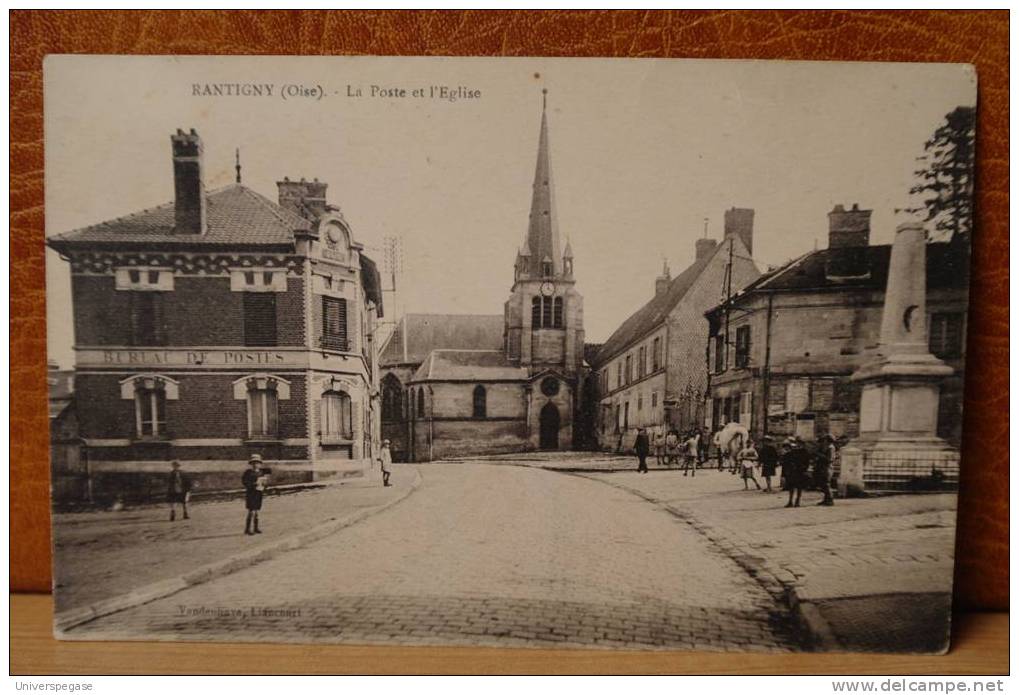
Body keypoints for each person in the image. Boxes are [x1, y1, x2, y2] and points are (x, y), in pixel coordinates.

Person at [781, 437, 811, 508]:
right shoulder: (791, 452)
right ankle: (790, 501)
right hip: (792, 472)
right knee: (791, 487)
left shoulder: (804, 452)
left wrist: (804, 469)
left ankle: (797, 501)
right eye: (797, 443)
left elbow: (807, 462)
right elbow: (785, 463)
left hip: (800, 472)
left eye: (800, 443)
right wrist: (785, 474)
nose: (798, 444)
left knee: (799, 487)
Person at [242, 454, 266, 535]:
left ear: (260, 464)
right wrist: (253, 484)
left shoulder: (261, 472)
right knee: (251, 511)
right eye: (254, 463)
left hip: (258, 493)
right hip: (251, 493)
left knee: (257, 512)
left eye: (257, 463)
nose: (256, 465)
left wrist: (264, 484)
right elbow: (244, 482)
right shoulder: (248, 472)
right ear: (251, 464)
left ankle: (256, 528)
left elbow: (264, 482)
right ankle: (247, 529)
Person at [814, 435, 836, 506]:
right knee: (823, 484)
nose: (824, 441)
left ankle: (830, 500)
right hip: (822, 467)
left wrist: (819, 454)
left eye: (825, 439)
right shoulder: (826, 447)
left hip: (827, 468)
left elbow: (829, 459)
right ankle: (826, 499)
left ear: (828, 440)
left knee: (826, 484)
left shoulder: (831, 448)